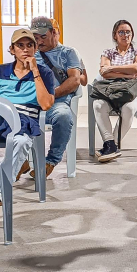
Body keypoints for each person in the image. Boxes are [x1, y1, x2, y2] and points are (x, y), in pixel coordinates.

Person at [0, 28, 55, 206]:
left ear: (35, 48)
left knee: (21, 142)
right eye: (20, 45)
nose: (25, 49)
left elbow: (45, 105)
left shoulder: (44, 73)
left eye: (30, 45)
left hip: (26, 121)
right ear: (12, 50)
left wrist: (35, 71)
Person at [32, 16, 83, 178]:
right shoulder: (31, 53)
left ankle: (51, 160)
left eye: (43, 37)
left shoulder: (68, 53)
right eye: (35, 38)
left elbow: (75, 80)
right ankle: (21, 160)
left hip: (57, 103)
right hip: (32, 103)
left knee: (64, 116)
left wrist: (50, 95)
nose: (39, 41)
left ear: (54, 33)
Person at [94, 19, 137, 163]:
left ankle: (112, 144)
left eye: (128, 32)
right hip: (111, 90)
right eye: (121, 32)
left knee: (129, 108)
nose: (126, 35)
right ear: (115, 35)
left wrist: (112, 68)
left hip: (133, 91)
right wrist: (127, 74)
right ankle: (110, 143)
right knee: (98, 105)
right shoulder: (108, 52)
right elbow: (104, 74)